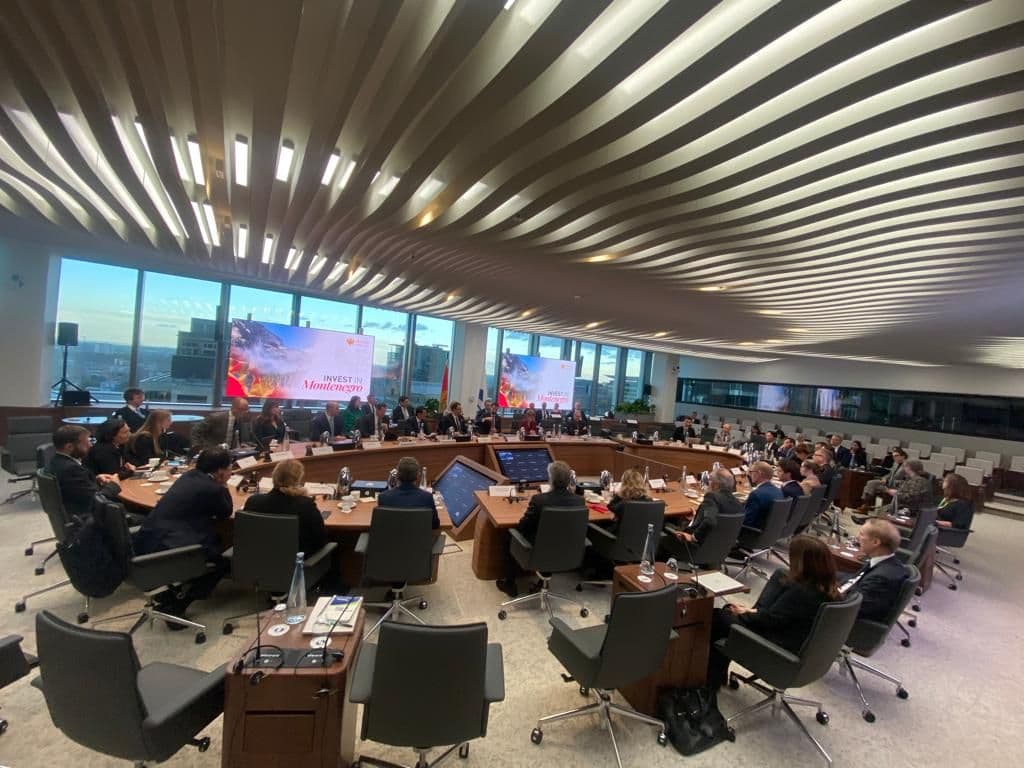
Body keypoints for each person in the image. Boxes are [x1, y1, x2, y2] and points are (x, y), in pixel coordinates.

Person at [707, 535, 839, 691]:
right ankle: (717, 676)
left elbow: (770, 620)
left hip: (775, 646)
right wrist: (748, 612)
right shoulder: (826, 588)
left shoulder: (802, 592)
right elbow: (780, 616)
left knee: (720, 616)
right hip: (792, 641)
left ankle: (709, 683)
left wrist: (742, 613)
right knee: (731, 613)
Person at [132, 448, 233, 621]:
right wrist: (223, 484)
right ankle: (178, 603)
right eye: (229, 469)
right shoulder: (213, 488)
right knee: (224, 561)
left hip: (149, 540)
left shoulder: (188, 476)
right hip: (171, 547)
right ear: (220, 471)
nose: (230, 472)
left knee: (215, 540)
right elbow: (226, 511)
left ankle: (173, 591)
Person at [496, 460, 585, 598]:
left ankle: (510, 584)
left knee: (511, 534)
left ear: (551, 480)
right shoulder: (579, 501)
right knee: (556, 536)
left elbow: (523, 526)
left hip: (539, 552)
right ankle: (542, 581)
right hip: (567, 553)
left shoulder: (539, 500)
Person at [242, 459, 328, 556]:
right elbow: (320, 540)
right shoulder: (306, 505)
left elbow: (243, 537)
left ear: (274, 477)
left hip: (255, 561)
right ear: (297, 481)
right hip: (297, 562)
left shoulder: (253, 502)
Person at [839, 519, 907, 622]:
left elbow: (851, 609)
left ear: (875, 542)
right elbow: (855, 579)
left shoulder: (881, 578)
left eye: (862, 534)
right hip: (847, 592)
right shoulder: (885, 561)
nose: (857, 537)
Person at [47, 425, 121, 518]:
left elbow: (78, 489)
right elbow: (96, 502)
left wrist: (96, 479)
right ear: (69, 447)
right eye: (86, 442)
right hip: (91, 518)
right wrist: (114, 485)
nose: (90, 445)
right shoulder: (71, 469)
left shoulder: (56, 461)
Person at [672, 468, 743, 547]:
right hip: (720, 548)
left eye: (709, 480)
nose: (707, 483)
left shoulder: (711, 496)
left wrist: (694, 537)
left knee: (667, 531)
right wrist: (698, 516)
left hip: (695, 546)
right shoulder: (737, 503)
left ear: (716, 485)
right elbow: (720, 518)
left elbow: (710, 521)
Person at [376, 456, 440, 529]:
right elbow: (435, 525)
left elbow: (381, 525)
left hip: (391, 536)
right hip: (418, 536)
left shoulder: (383, 497)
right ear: (418, 475)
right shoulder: (427, 497)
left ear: (397, 475)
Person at [604, 468, 651, 535]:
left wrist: (619, 494)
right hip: (644, 537)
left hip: (619, 537)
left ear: (624, 484)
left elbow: (610, 506)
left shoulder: (624, 504)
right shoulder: (650, 501)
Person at [742, 461, 783, 529]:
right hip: (771, 531)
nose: (749, 474)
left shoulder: (756, 494)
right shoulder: (779, 491)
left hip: (753, 532)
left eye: (751, 472)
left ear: (759, 473)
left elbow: (746, 521)